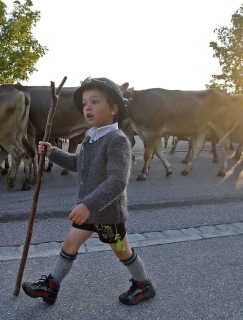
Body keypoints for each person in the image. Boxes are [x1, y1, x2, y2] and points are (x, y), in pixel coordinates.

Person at [21, 77, 156, 305]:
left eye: (95, 102)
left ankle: (144, 285)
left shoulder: (117, 141)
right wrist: (53, 152)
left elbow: (117, 182)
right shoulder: (91, 138)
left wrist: (87, 205)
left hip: (108, 216)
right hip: (89, 213)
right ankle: (51, 286)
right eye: (85, 103)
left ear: (114, 109)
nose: (88, 108)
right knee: (69, 245)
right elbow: (77, 163)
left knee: (122, 251)